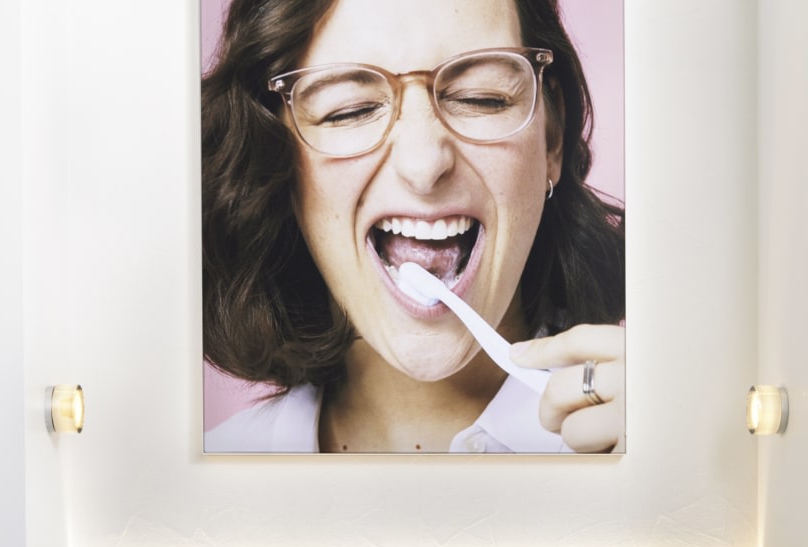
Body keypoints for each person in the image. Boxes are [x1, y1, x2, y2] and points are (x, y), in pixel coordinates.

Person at [202, 0, 625, 454]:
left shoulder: (664, 446)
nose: (424, 164)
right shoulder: (200, 491)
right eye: (350, 110)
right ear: (274, 155)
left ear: (552, 137)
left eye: (481, 97)